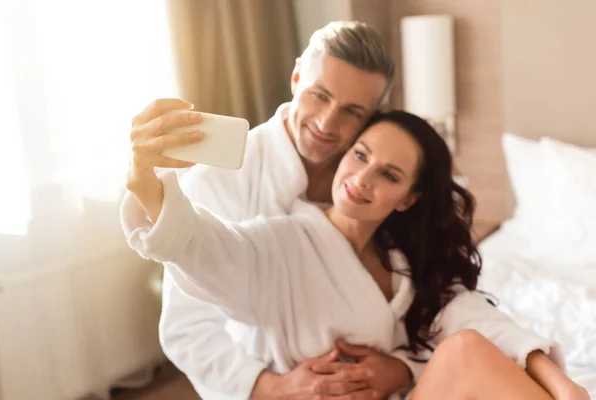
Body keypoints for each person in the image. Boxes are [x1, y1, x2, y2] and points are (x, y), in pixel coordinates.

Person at [122, 109, 589, 400]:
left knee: (468, 349)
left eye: (389, 174)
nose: (363, 178)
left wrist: (558, 381)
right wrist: (148, 183)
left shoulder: (406, 264)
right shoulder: (281, 243)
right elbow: (208, 250)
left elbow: (472, 318)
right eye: (361, 155)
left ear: (408, 197)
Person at [129, 21, 415, 400]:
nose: (327, 123)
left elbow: (428, 293)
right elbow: (187, 329)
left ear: (373, 115)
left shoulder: (375, 182)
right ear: (297, 77)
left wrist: (400, 369)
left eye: (352, 111)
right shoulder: (218, 180)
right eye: (319, 95)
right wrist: (272, 388)